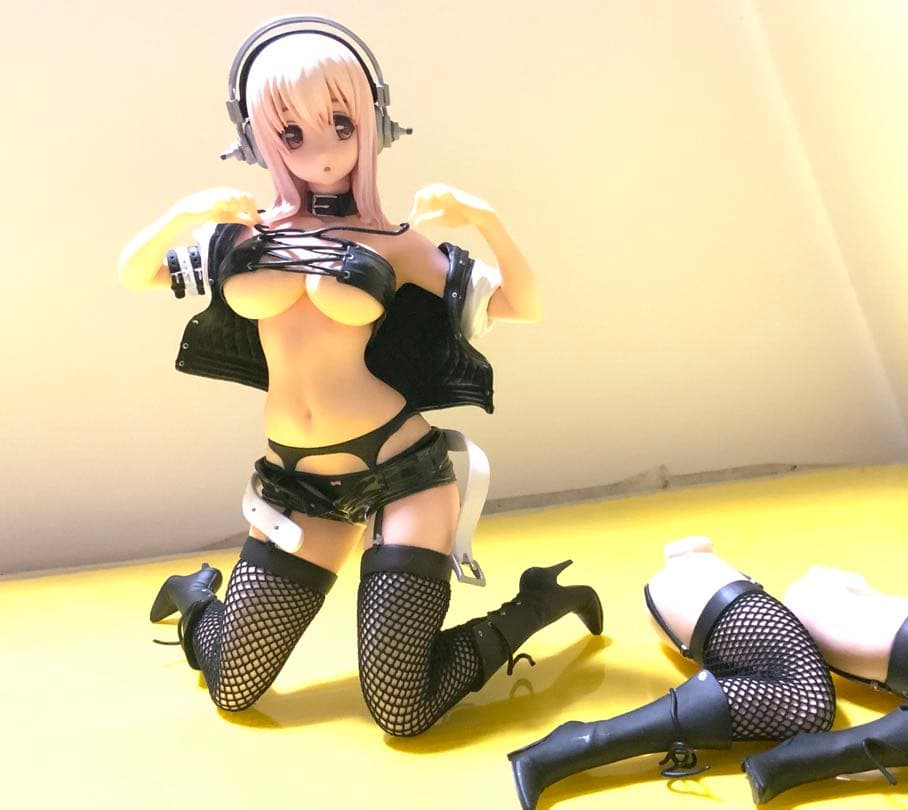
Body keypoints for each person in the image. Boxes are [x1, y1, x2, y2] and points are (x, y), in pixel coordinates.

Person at [119, 16, 601, 737]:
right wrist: (179, 216)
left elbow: (519, 305)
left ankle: (535, 603)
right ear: (257, 135)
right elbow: (136, 274)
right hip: (295, 484)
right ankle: (196, 600)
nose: (321, 149)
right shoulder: (245, 235)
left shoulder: (393, 243)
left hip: (401, 472)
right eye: (292, 132)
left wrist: (486, 219)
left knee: (402, 708)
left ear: (371, 120)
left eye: (340, 123)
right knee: (233, 687)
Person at [506, 538, 908, 808]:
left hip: (808, 631)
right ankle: (578, 744)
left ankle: (800, 762)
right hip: (720, 600)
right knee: (809, 704)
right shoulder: (686, 572)